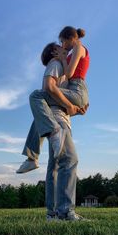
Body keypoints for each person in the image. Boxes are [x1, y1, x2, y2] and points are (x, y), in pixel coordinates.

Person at [18, 42, 84, 221]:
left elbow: (57, 102)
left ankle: (52, 213)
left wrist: (75, 109)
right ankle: (66, 212)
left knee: (54, 166)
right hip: (57, 122)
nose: (66, 49)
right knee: (70, 160)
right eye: (61, 47)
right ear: (55, 52)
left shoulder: (61, 69)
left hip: (59, 118)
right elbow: (48, 87)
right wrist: (70, 105)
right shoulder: (55, 65)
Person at [17, 26, 89, 173]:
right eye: (60, 44)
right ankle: (32, 157)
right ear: (53, 53)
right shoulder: (58, 64)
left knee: (36, 96)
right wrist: (74, 108)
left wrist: (62, 58)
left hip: (75, 95)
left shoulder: (76, 49)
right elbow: (65, 85)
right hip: (72, 101)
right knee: (41, 113)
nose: (62, 46)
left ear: (70, 38)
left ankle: (34, 155)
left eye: (62, 42)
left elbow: (66, 77)